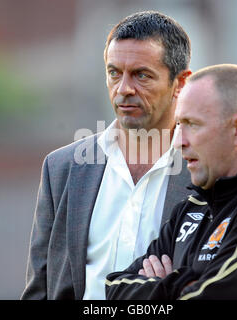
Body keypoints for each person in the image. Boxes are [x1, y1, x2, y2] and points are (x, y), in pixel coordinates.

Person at [105, 64, 237, 299]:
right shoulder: (190, 208)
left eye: (192, 124)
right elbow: (114, 288)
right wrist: (185, 283)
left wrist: (161, 284)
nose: (178, 140)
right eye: (178, 124)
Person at [21, 11, 193, 299]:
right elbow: (40, 287)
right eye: (114, 73)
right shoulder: (62, 169)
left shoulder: (208, 172)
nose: (124, 89)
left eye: (141, 75)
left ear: (180, 83)